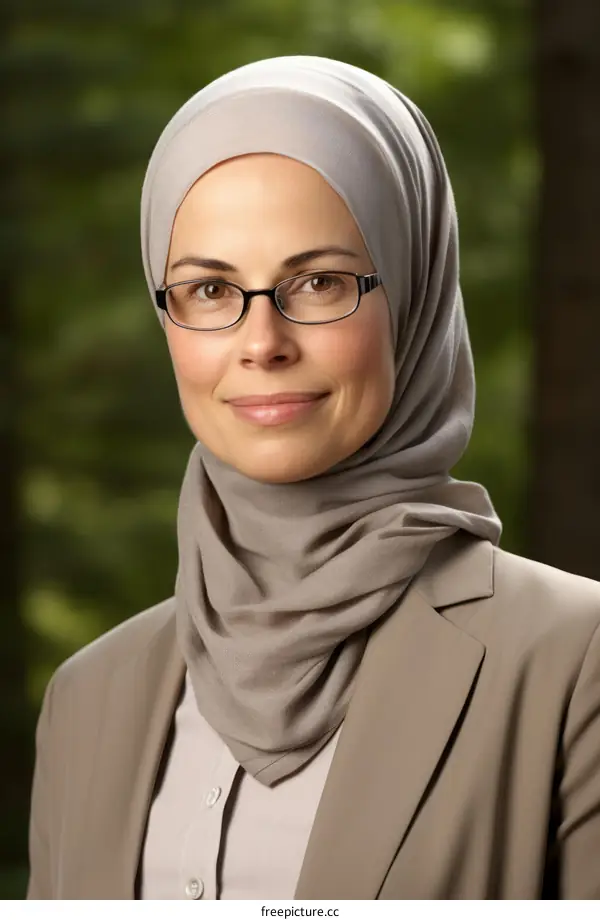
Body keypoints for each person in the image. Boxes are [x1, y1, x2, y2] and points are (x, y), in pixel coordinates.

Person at [26, 55, 600, 901]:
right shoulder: (87, 699)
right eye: (210, 288)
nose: (261, 341)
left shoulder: (574, 662)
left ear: (414, 294)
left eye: (320, 281)